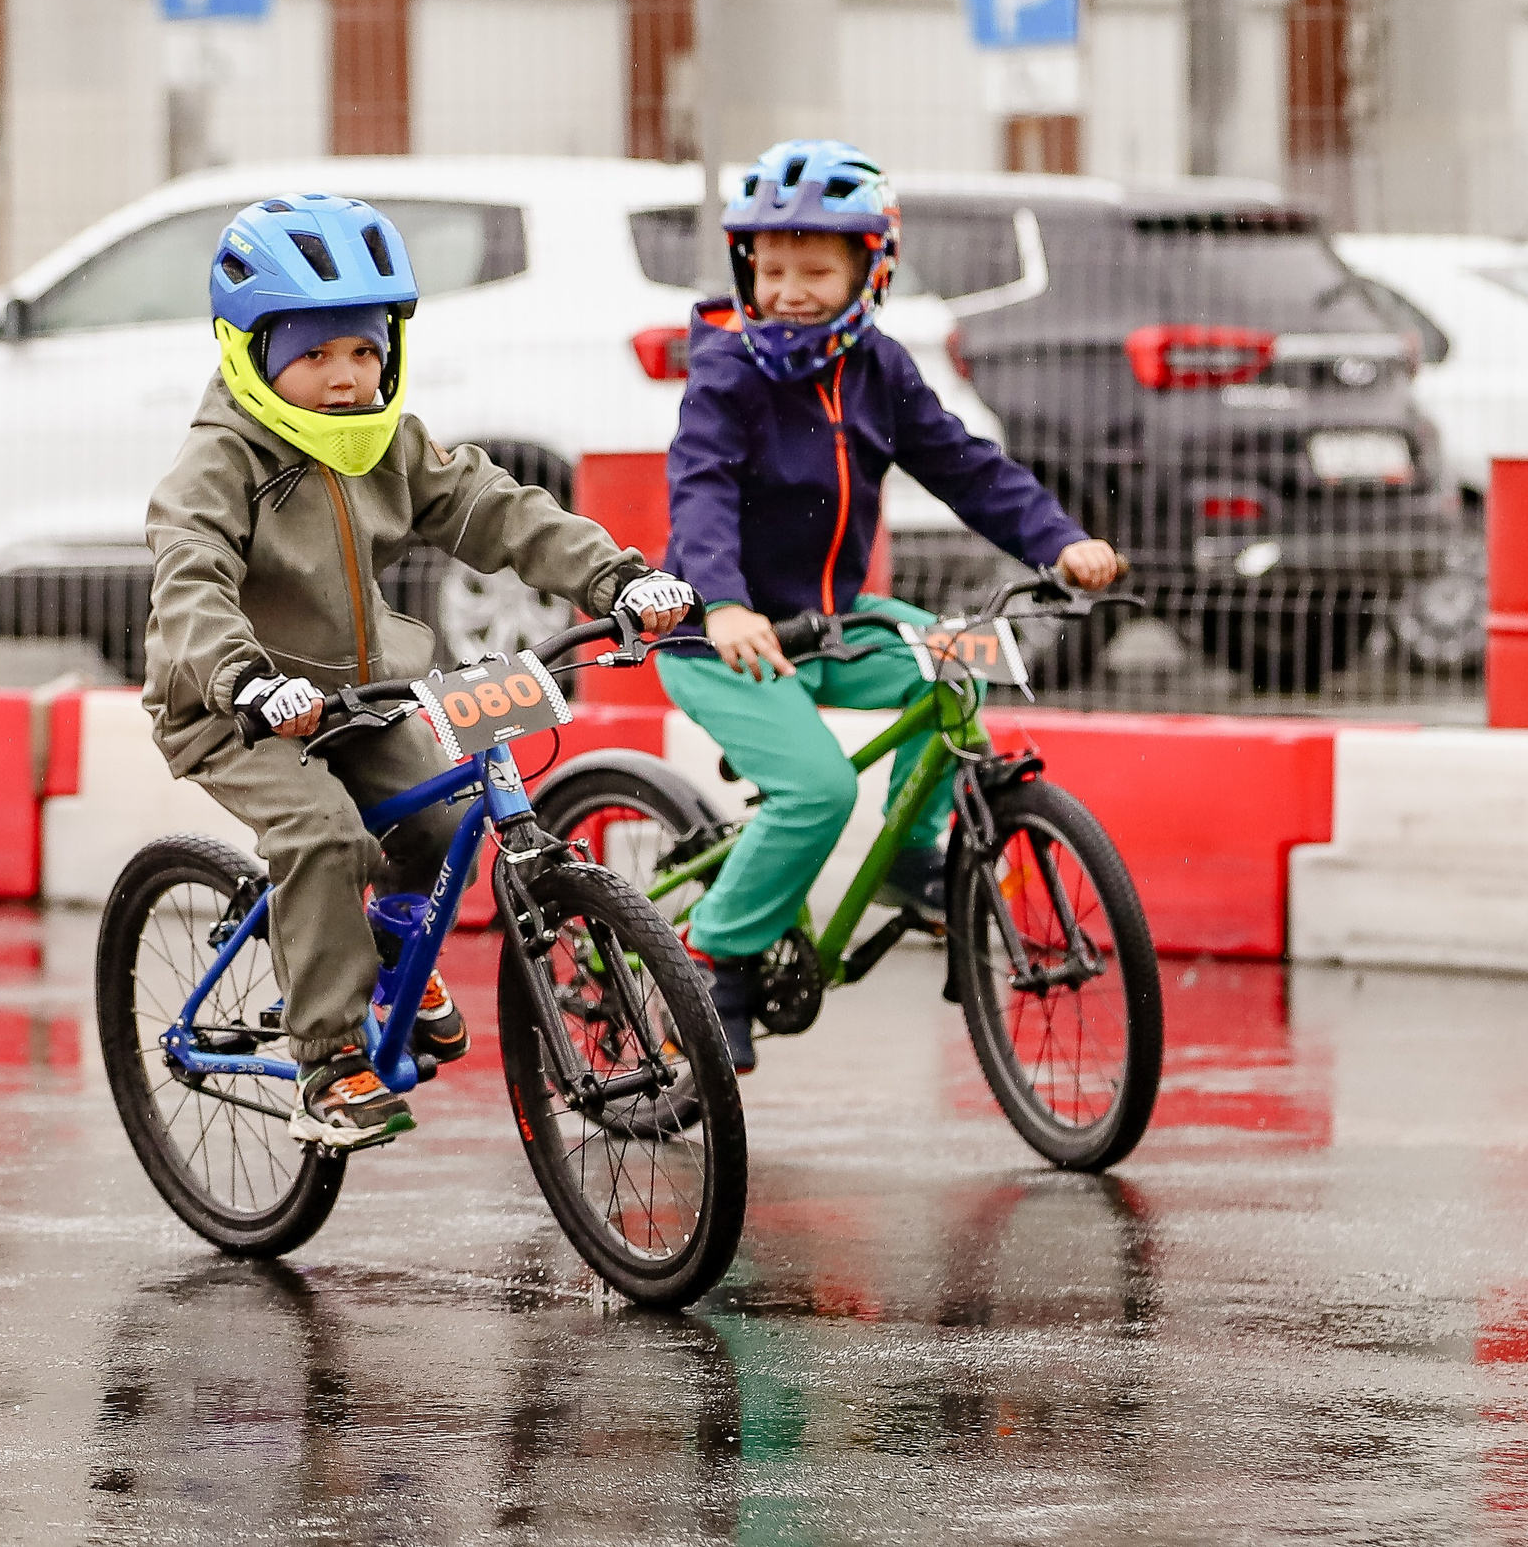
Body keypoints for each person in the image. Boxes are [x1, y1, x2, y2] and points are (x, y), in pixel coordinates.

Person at [144, 194, 697, 1151]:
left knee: (446, 817)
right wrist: (245, 681)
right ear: (251, 352)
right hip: (235, 707)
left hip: (363, 697)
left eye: (364, 351)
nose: (347, 378)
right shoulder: (218, 463)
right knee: (322, 834)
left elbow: (493, 507)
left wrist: (617, 576)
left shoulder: (389, 439)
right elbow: (190, 581)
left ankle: (391, 949)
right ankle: (327, 1064)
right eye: (314, 355)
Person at [658, 140, 1121, 1073]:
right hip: (723, 640)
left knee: (955, 663)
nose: (788, 288)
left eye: (815, 268)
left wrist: (1057, 540)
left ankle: (917, 854)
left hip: (835, 623)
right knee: (820, 790)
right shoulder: (727, 374)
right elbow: (699, 490)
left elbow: (964, 466)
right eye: (771, 266)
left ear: (871, 270)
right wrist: (721, 605)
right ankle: (716, 957)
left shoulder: (879, 369)